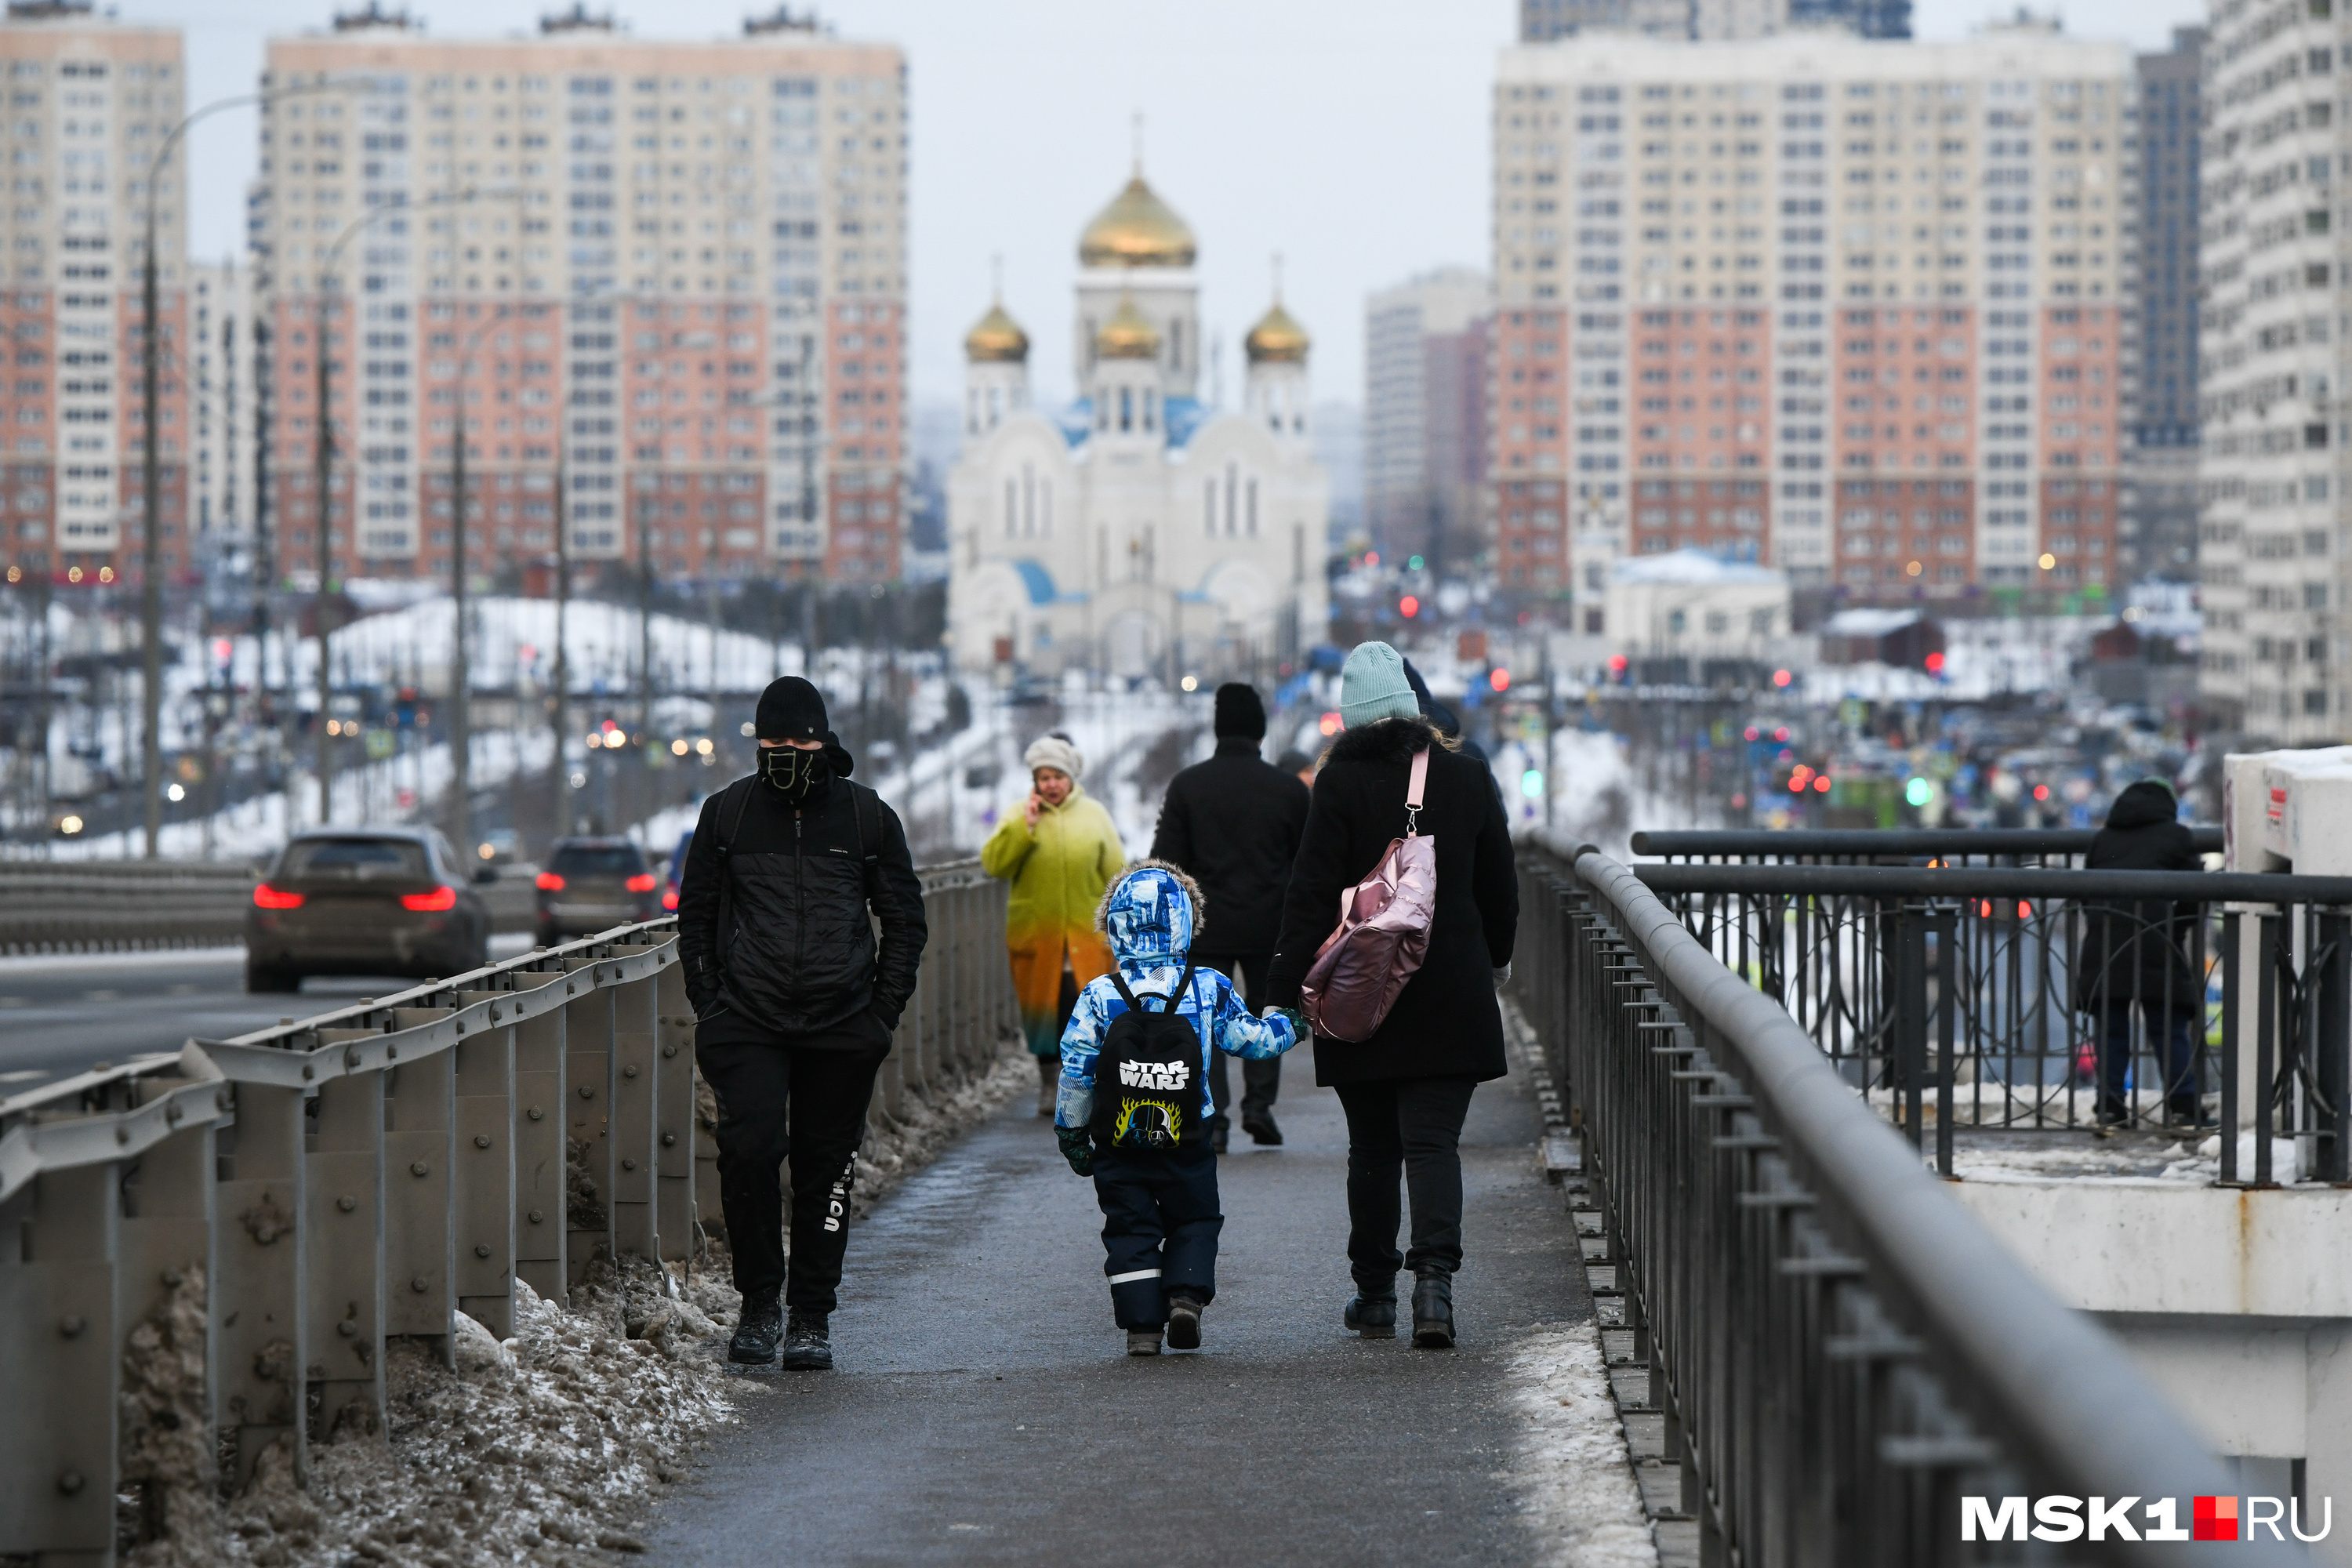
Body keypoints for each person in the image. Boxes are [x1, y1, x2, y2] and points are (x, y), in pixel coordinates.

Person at [1265, 641, 1518, 1350]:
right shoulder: (1468, 778)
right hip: (1451, 996)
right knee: (1433, 1145)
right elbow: (1502, 888)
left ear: (1351, 717)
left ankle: (1374, 1294)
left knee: (1372, 1149)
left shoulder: (1337, 787)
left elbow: (1310, 894)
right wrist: (1493, 961)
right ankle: (1433, 1288)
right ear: (1410, 708)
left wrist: (1284, 991)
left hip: (1360, 1000)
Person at [677, 676, 927, 1372]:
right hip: (748, 1020)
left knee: (827, 1170)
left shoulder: (866, 818)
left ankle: (811, 1314)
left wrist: (881, 1012)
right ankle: (760, 1303)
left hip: (843, 1022)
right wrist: (712, 1005)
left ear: (824, 739)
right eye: (773, 740)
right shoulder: (726, 814)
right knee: (750, 1154)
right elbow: (694, 915)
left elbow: (905, 919)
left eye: (799, 738)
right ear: (757, 742)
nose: (786, 751)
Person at [1051, 861, 1303, 1356]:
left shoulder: (1100, 995)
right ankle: (1186, 1297)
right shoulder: (1206, 986)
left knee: (1129, 1227)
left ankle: (1142, 1328)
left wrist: (1073, 1135)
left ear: (1115, 926)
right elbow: (1248, 1040)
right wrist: (1291, 1026)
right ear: (1186, 922)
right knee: (1195, 1219)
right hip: (1189, 1135)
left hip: (1118, 1143)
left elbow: (1077, 1069)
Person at [1149, 683, 1312, 1150]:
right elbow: (1308, 865)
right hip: (1272, 928)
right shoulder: (1287, 790)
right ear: (1261, 730)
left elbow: (1165, 864)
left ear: (1218, 728)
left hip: (1206, 930)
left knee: (1204, 1020)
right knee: (1268, 1012)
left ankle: (1214, 1119)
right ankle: (1259, 1106)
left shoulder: (1187, 786)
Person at [981, 733, 1127, 1116]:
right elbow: (994, 865)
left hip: (1086, 935)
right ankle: (1050, 1087)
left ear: (1071, 777)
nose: (1051, 784)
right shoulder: (1018, 814)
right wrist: (1023, 829)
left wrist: (1120, 925)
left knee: (1086, 1010)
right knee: (1043, 1013)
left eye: (1057, 776)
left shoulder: (1095, 814)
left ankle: (1086, 1087)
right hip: (1038, 935)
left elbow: (1116, 872)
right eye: (1043, 777)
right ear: (1034, 781)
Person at [2078, 777, 2206, 1127]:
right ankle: (2183, 1105)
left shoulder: (2103, 839)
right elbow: (2194, 893)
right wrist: (2174, 930)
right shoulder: (2177, 837)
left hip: (2105, 945)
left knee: (2110, 1030)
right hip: (2157, 942)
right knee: (2167, 1027)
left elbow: (2086, 895)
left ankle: (2110, 1105)